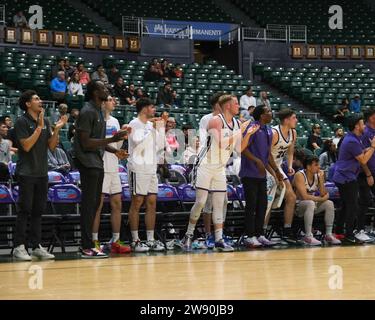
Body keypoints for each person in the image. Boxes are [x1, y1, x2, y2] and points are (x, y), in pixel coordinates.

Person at [181, 95, 259, 252]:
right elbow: (222, 143)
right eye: (236, 103)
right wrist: (240, 132)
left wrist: (248, 134)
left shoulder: (236, 123)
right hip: (205, 164)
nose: (239, 106)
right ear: (228, 106)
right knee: (201, 202)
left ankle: (219, 239)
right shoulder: (215, 121)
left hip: (220, 167)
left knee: (219, 203)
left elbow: (238, 149)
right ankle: (188, 236)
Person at [73, 81, 129, 258]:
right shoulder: (87, 111)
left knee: (95, 204)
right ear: (96, 92)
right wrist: (112, 139)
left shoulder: (98, 111)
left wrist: (115, 150)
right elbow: (86, 142)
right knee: (89, 205)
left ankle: (90, 245)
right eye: (104, 88)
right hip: (87, 162)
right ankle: (86, 246)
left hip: (97, 162)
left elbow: (99, 141)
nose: (107, 90)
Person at [13, 90, 68, 261]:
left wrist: (57, 130)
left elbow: (51, 147)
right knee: (25, 210)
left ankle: (36, 246)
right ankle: (19, 246)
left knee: (38, 211)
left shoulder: (47, 121)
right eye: (36, 99)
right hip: (26, 173)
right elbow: (26, 146)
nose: (40, 100)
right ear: (28, 104)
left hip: (42, 173)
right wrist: (38, 127)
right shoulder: (21, 122)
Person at [92, 95, 131, 254]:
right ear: (102, 102)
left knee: (117, 204)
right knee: (97, 207)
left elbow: (116, 144)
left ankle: (116, 240)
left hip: (114, 167)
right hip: (101, 166)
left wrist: (123, 136)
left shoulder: (115, 121)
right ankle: (94, 241)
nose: (113, 101)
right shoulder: (96, 120)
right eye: (109, 99)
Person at [127, 98, 166, 252]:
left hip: (151, 167)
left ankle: (150, 239)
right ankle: (135, 240)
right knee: (137, 202)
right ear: (143, 109)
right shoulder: (134, 124)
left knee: (151, 203)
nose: (154, 109)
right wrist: (153, 130)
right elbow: (139, 144)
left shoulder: (152, 125)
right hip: (138, 167)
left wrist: (160, 129)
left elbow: (160, 146)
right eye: (151, 107)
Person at [332, 114, 375, 244]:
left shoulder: (354, 138)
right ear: (357, 126)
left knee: (346, 206)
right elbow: (363, 159)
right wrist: (373, 147)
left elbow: (360, 152)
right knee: (352, 206)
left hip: (344, 176)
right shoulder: (351, 140)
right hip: (346, 177)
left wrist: (368, 148)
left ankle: (339, 232)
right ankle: (349, 234)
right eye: (362, 123)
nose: (364, 125)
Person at [240, 105, 276, 248]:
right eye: (268, 112)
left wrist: (276, 171)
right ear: (261, 115)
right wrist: (256, 161)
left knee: (263, 205)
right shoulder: (252, 128)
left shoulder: (268, 130)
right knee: (251, 205)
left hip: (261, 174)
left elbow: (268, 154)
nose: (271, 113)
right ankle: (249, 236)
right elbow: (243, 149)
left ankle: (260, 234)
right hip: (249, 173)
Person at [293, 155, 341, 245]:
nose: (319, 167)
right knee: (310, 203)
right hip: (299, 207)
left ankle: (328, 234)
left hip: (312, 205)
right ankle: (308, 236)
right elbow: (304, 196)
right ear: (308, 166)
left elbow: (324, 194)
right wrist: (321, 199)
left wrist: (321, 179)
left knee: (329, 203)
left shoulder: (317, 176)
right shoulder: (299, 175)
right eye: (316, 165)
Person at [267, 109, 298, 244]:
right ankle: (262, 230)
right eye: (294, 118)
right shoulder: (274, 133)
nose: (296, 120)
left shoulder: (293, 132)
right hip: (267, 166)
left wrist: (290, 166)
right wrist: (275, 173)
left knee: (291, 197)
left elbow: (290, 152)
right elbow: (266, 155)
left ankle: (287, 229)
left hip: (278, 167)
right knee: (268, 200)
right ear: (286, 120)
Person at [357, 108, 375, 243]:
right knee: (364, 201)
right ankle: (359, 230)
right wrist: (368, 174)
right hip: (365, 173)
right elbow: (361, 157)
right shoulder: (365, 133)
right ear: (371, 118)